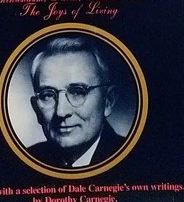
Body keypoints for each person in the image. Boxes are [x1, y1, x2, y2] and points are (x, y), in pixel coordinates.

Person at [26, 34, 125, 167]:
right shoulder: (24, 162)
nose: (61, 112)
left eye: (78, 92)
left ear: (108, 101)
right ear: (36, 108)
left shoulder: (137, 161)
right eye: (47, 95)